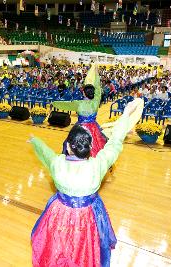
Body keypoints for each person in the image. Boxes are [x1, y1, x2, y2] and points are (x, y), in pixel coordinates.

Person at [29, 99, 142, 267]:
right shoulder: (97, 165)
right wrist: (125, 114)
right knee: (85, 246)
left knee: (57, 245)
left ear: (68, 147)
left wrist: (35, 141)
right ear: (90, 147)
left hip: (59, 213)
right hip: (88, 214)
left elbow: (47, 154)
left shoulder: (58, 164)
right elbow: (114, 143)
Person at [52, 64, 107, 158]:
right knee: (96, 145)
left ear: (84, 93)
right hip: (93, 127)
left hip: (80, 127)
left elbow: (66, 104)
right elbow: (98, 88)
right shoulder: (96, 101)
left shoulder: (78, 103)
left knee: (72, 144)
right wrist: (96, 74)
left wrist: (54, 103)